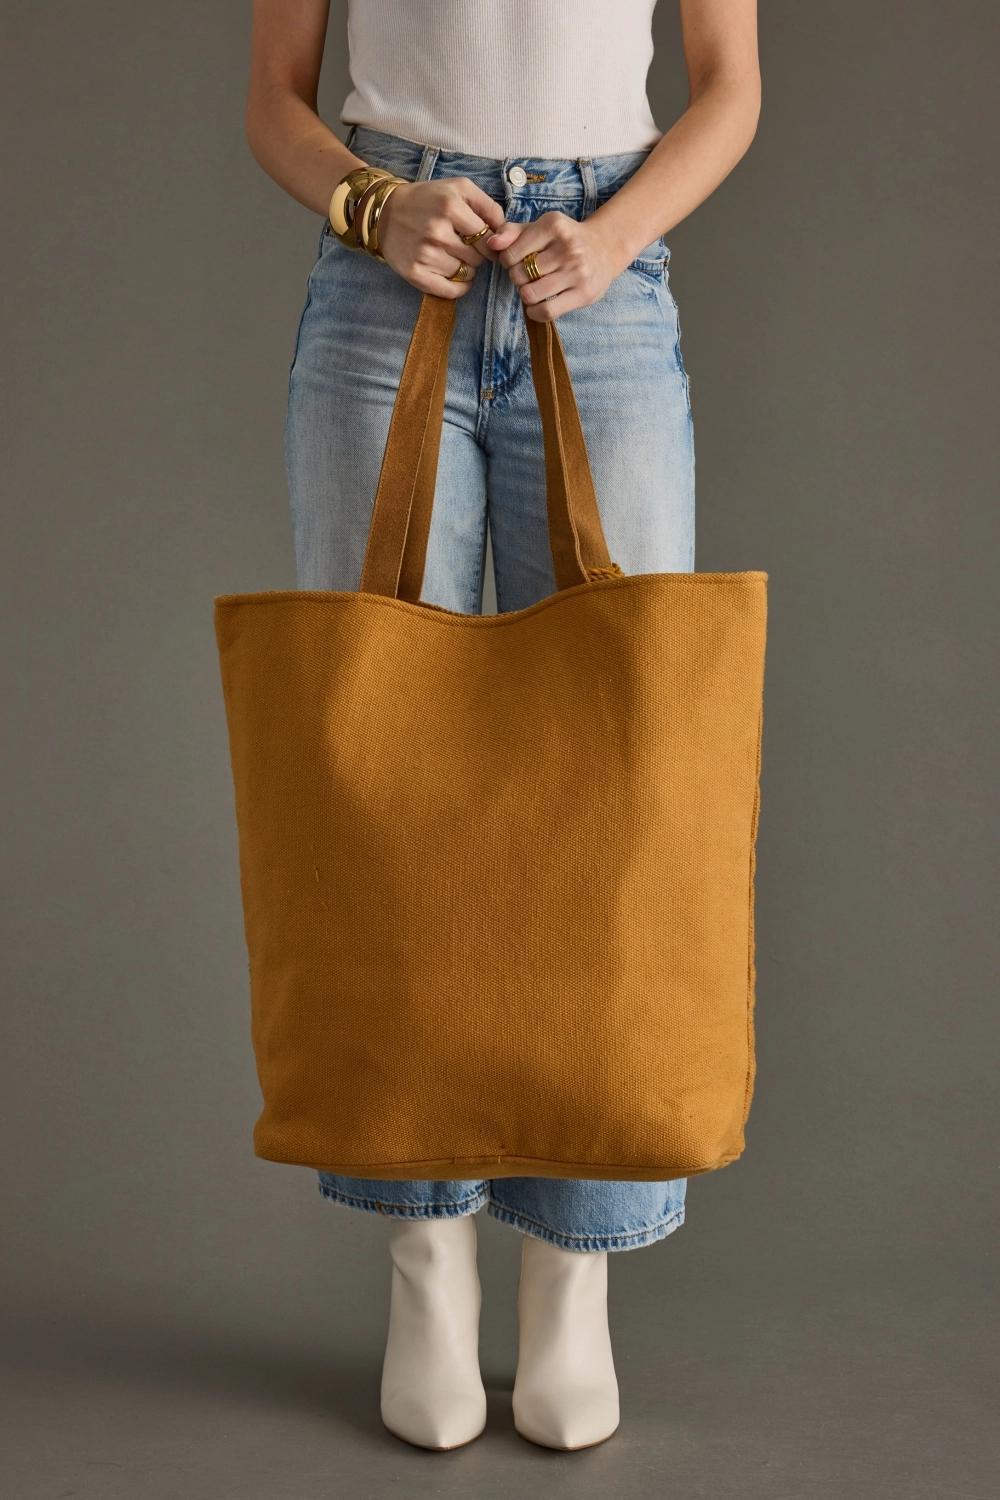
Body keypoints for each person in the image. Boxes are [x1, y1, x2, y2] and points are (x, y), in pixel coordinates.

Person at [245, 0, 760, 1454]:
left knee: (623, 790)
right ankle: (424, 1260)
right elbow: (277, 97)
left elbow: (730, 85)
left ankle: (573, 1276)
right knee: (375, 778)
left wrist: (613, 235)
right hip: (382, 272)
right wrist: (372, 203)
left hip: (603, 281)